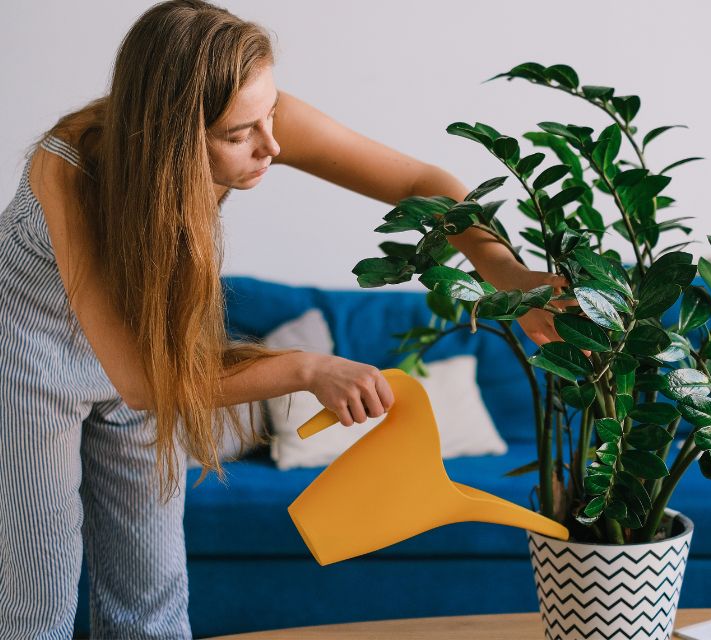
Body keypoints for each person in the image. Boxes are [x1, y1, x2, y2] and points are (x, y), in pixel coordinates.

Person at [0, 1, 566, 637]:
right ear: (168, 142)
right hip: (33, 349)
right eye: (240, 134)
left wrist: (513, 279)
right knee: (37, 586)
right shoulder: (68, 167)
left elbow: (417, 181)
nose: (272, 145)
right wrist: (305, 368)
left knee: (152, 587)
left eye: (270, 114)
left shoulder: (257, 116)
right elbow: (137, 382)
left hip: (147, 351)